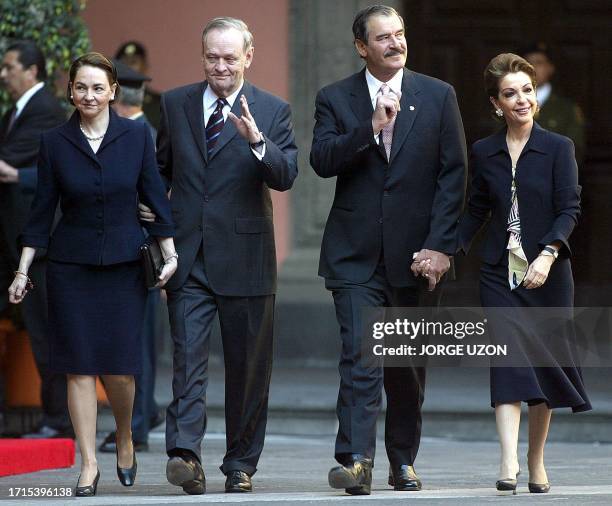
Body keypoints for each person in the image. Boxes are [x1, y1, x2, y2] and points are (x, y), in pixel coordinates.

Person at [310, 5, 467, 495]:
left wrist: (441, 247)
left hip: (417, 257)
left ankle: (402, 459)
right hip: (355, 256)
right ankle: (356, 460)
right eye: (383, 37)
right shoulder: (335, 97)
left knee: (405, 366)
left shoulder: (438, 96)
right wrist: (370, 128)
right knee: (361, 356)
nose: (395, 43)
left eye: (399, 34)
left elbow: (454, 175)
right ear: (362, 47)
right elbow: (321, 160)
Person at [139, 17, 297, 495]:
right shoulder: (176, 103)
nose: (221, 66)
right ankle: (185, 454)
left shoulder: (272, 109)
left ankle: (240, 463)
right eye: (213, 57)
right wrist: (151, 209)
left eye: (230, 57)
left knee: (248, 368)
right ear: (202, 55)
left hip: (247, 258)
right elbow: (160, 168)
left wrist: (256, 142)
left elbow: (286, 174)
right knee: (187, 359)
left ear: (248, 57)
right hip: (188, 257)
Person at [8, 52, 176, 497]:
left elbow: (154, 198)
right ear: (70, 90)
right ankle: (88, 464)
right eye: (81, 87)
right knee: (78, 368)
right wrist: (23, 270)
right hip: (70, 267)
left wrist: (170, 253)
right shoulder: (55, 142)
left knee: (121, 371)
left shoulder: (137, 135)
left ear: (113, 91)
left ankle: (124, 434)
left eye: (98, 87)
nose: (89, 95)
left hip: (124, 266)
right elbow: (41, 212)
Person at [458, 53, 591, 494]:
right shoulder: (484, 151)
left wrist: (549, 254)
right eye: (510, 93)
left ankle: (536, 461)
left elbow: (569, 208)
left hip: (548, 273)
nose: (521, 100)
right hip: (500, 272)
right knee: (509, 361)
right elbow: (477, 209)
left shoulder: (558, 147)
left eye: (527, 91)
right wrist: (444, 250)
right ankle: (508, 459)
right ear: (496, 103)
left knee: (543, 369)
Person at [0, 40, 71, 439]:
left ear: (32, 70)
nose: (3, 73)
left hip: (41, 246)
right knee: (40, 330)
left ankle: (59, 419)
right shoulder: (16, 110)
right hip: (17, 243)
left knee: (48, 333)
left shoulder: (44, 109)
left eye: (9, 66)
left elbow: (9, 162)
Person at [97, 59, 163, 455]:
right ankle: (144, 413)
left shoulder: (134, 135)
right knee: (138, 344)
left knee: (134, 344)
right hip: (143, 251)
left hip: (135, 252)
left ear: (116, 93)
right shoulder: (148, 131)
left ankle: (136, 423)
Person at [521, 42, 585, 164]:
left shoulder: (567, 109)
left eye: (539, 63)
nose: (532, 68)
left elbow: (575, 152)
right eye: (527, 63)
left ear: (550, 68)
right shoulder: (509, 105)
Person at [114, 41, 161, 130]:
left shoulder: (158, 104)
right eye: (123, 62)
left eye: (133, 62)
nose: (128, 66)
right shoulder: (105, 98)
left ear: (144, 66)